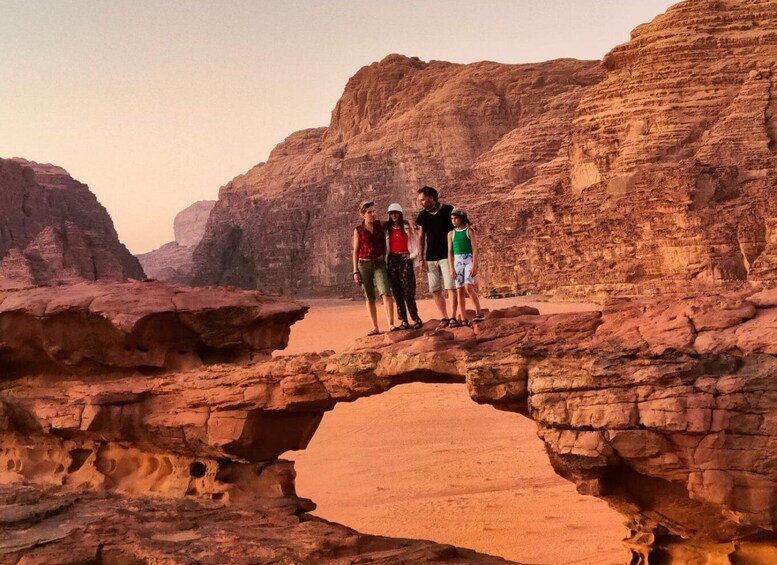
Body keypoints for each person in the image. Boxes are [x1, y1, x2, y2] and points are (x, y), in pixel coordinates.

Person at [352, 201, 396, 335]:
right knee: (369, 297)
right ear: (363, 214)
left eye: (373, 211)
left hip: (379, 263)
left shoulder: (379, 225)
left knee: (386, 292)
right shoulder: (358, 230)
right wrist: (355, 271)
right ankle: (375, 327)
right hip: (364, 264)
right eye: (369, 212)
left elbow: (395, 221)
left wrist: (408, 223)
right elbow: (355, 250)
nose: (373, 214)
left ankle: (391, 325)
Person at [416, 186, 457, 328]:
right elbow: (421, 237)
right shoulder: (422, 216)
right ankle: (444, 317)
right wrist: (421, 258)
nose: (421, 202)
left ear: (431, 198)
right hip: (431, 258)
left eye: (422, 200)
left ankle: (453, 316)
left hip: (447, 256)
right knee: (435, 289)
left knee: (450, 287)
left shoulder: (448, 210)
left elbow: (458, 227)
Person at [385, 203, 423, 330]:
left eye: (396, 213)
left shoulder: (408, 227)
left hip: (404, 259)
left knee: (408, 291)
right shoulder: (386, 229)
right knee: (397, 292)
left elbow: (418, 240)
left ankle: (416, 318)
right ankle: (404, 321)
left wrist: (412, 255)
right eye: (391, 213)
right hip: (392, 260)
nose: (394, 216)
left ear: (400, 214)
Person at [447, 208, 484, 327]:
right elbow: (450, 252)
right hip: (457, 262)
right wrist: (451, 268)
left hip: (468, 260)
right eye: (452, 219)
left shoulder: (469, 231)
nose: (453, 221)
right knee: (459, 290)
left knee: (468, 286)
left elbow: (474, 249)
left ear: (462, 218)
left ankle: (479, 312)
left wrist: (475, 265)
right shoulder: (451, 234)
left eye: (455, 218)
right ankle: (463, 318)